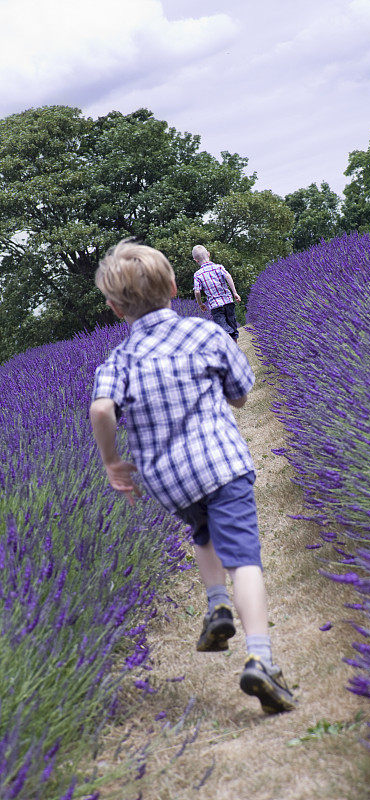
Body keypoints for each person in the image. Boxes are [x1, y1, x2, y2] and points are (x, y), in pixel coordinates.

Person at [89, 240, 296, 715]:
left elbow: (102, 408)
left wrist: (111, 460)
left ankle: (217, 604)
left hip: (168, 480)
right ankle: (261, 658)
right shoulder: (205, 335)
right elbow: (242, 394)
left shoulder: (118, 361)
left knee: (202, 530)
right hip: (221, 464)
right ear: (176, 287)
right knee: (244, 556)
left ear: (116, 308)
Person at [192, 245, 241, 342]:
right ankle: (234, 346)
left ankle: (227, 337)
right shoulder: (219, 267)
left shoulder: (198, 274)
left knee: (222, 328)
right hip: (228, 301)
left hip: (215, 306)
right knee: (232, 326)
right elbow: (228, 277)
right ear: (208, 254)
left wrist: (200, 303)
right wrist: (234, 292)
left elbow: (197, 291)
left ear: (196, 260)